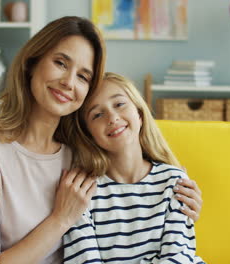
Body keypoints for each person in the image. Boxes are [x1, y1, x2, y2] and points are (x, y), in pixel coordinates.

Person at [0, 16, 202, 264]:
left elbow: (137, 183)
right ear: (32, 63)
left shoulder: (85, 154)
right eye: (61, 63)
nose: (68, 82)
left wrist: (184, 198)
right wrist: (61, 218)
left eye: (83, 77)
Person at [63, 72, 205, 263]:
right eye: (97, 114)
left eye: (119, 104)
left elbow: (177, 257)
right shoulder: (82, 192)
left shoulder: (174, 181)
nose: (112, 117)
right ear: (89, 135)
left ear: (139, 114)